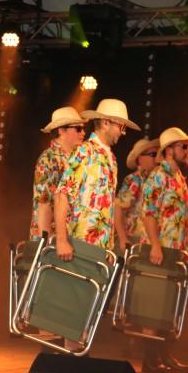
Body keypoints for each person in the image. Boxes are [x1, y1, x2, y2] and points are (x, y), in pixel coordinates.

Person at [141, 126, 188, 373]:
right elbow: (148, 214)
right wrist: (155, 245)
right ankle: (151, 360)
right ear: (168, 150)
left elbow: (179, 218)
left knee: (170, 307)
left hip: (177, 251)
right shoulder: (158, 175)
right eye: (183, 146)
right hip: (160, 249)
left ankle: (165, 355)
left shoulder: (178, 178)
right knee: (154, 305)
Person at [54, 99, 141, 261]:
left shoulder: (111, 159)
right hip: (80, 245)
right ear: (106, 123)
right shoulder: (84, 151)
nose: (123, 132)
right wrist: (61, 240)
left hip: (101, 249)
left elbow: (108, 207)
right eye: (121, 126)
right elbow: (62, 194)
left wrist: (109, 247)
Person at [29, 107, 85, 240]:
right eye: (78, 129)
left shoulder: (77, 158)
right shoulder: (48, 159)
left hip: (70, 237)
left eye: (83, 129)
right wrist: (47, 243)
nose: (83, 133)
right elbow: (43, 204)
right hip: (52, 239)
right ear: (61, 130)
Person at [114, 138, 160, 254]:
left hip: (148, 240)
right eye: (153, 154)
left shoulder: (157, 181)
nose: (157, 159)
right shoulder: (134, 179)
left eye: (158, 154)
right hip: (133, 240)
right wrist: (123, 238)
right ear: (140, 158)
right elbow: (118, 208)